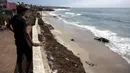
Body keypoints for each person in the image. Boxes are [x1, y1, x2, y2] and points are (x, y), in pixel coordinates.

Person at [7, 5, 40, 73]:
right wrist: (32, 43)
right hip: (24, 41)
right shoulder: (22, 20)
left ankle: (20, 71)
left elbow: (7, 26)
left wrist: (14, 31)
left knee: (19, 56)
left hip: (17, 40)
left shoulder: (13, 18)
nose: (25, 12)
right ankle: (27, 71)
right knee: (29, 56)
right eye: (25, 10)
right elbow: (26, 33)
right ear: (21, 11)